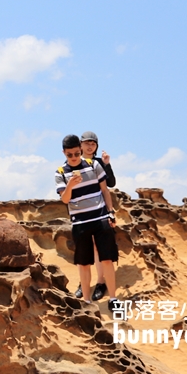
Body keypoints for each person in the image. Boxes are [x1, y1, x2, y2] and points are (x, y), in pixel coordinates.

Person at [55, 134, 121, 312]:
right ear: (64, 153)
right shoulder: (60, 172)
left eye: (77, 153)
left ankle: (113, 298)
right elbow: (65, 199)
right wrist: (70, 185)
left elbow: (105, 190)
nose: (74, 158)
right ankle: (86, 301)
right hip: (80, 222)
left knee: (106, 259)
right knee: (83, 262)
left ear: (80, 149)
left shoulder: (94, 164)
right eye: (70, 155)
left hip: (100, 218)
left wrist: (110, 212)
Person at [73, 131, 116, 300]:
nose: (90, 146)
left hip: (99, 211)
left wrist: (107, 164)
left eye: (93, 144)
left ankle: (100, 282)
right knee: (84, 250)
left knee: (99, 249)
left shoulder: (98, 162)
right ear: (80, 145)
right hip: (81, 213)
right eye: (87, 143)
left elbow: (111, 184)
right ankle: (83, 285)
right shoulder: (72, 163)